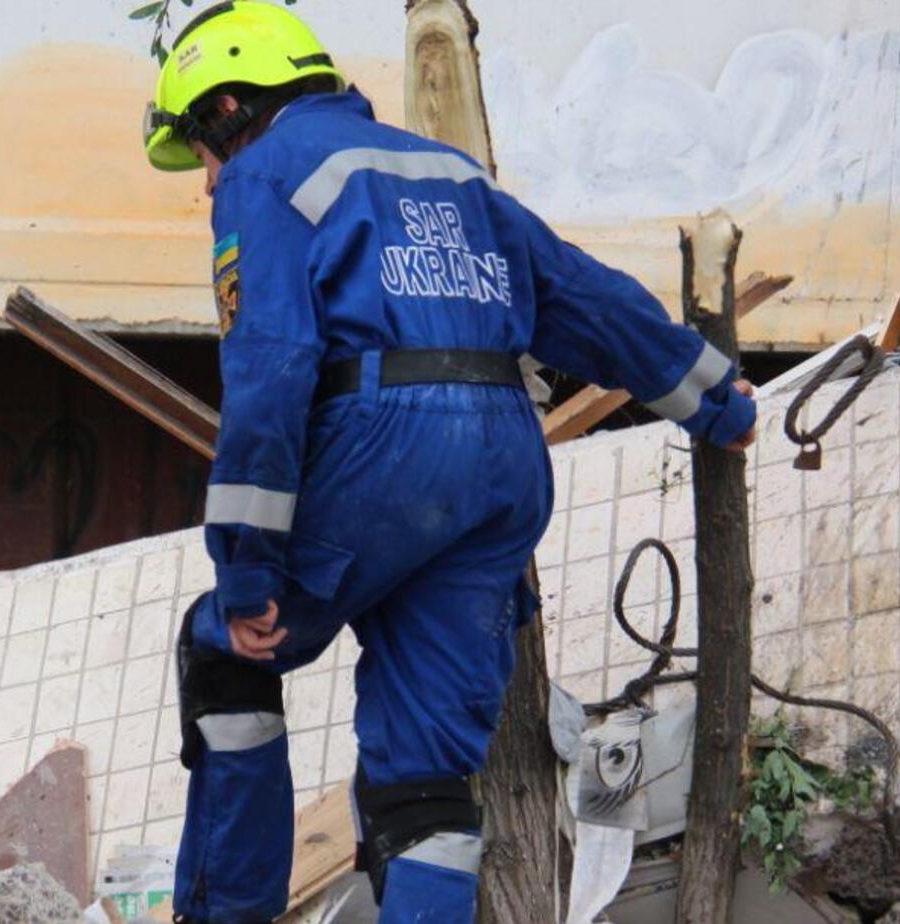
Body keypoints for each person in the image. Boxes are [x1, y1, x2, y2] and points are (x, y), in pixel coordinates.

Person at [141, 3, 758, 922]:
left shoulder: (264, 173)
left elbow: (268, 371)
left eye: (199, 151)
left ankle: (228, 911)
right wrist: (715, 399)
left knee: (228, 653)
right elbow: (578, 296)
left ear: (230, 106)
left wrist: (246, 569)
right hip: (501, 465)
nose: (204, 183)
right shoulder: (447, 174)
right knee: (423, 781)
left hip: (380, 447)